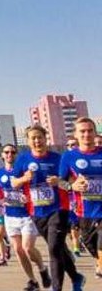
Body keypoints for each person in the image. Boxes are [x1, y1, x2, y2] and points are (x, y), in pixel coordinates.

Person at [10, 125, 85, 291]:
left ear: (46, 139)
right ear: (28, 141)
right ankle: (76, 277)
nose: (37, 141)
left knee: (53, 249)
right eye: (33, 138)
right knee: (58, 248)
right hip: (37, 212)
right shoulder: (23, 159)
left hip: (59, 209)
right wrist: (24, 179)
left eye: (40, 137)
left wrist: (59, 182)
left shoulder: (58, 159)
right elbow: (13, 183)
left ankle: (56, 288)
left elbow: (72, 183)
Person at [0, 143, 50, 291]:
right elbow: (0, 194)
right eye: (6, 152)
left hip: (27, 215)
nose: (9, 155)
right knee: (18, 250)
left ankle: (43, 268)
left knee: (27, 248)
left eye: (13, 152)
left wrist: (28, 197)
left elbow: (35, 187)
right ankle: (33, 281)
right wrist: (2, 199)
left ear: (16, 155)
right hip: (10, 216)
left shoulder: (24, 171)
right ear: (2, 155)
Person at [60, 117, 102, 279]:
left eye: (90, 130)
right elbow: (59, 182)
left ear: (95, 132)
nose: (87, 134)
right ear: (76, 135)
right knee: (91, 244)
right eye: (82, 131)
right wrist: (72, 186)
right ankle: (99, 262)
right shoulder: (69, 157)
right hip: (85, 212)